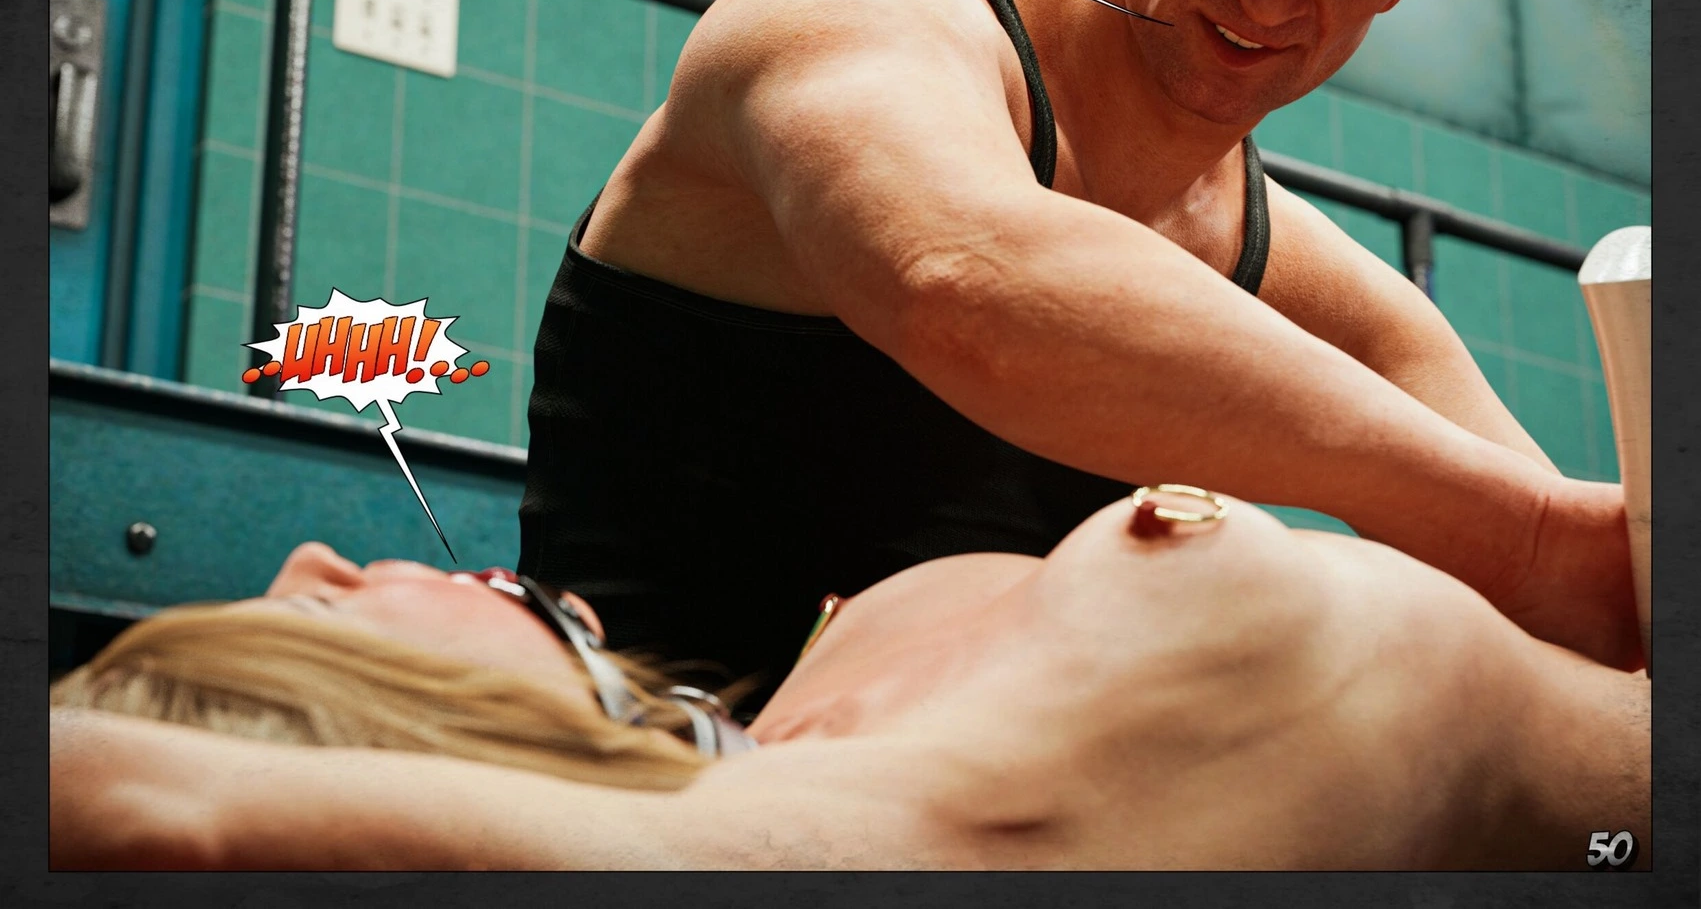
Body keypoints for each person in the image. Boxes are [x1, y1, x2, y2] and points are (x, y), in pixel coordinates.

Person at [517, 0, 1638, 695]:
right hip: (614, 788)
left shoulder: (1312, 283)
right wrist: (1528, 539)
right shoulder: (855, 16)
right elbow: (966, 284)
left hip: (937, 824)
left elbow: (1596, 603)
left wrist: (1585, 561)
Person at [51, 489, 1649, 870]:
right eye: (299, 620)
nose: (315, 557)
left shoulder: (808, 731)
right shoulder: (885, 825)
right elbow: (153, 807)